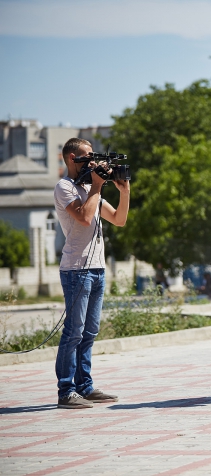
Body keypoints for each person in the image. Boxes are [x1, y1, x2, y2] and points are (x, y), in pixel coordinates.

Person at [54, 138, 130, 408]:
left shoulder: (90, 188)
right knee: (73, 331)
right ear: (72, 158)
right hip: (76, 270)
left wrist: (124, 191)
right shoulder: (65, 187)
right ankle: (66, 390)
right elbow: (84, 218)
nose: (94, 161)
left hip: (97, 268)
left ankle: (85, 386)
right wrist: (97, 186)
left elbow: (119, 220)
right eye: (88, 156)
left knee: (90, 332)